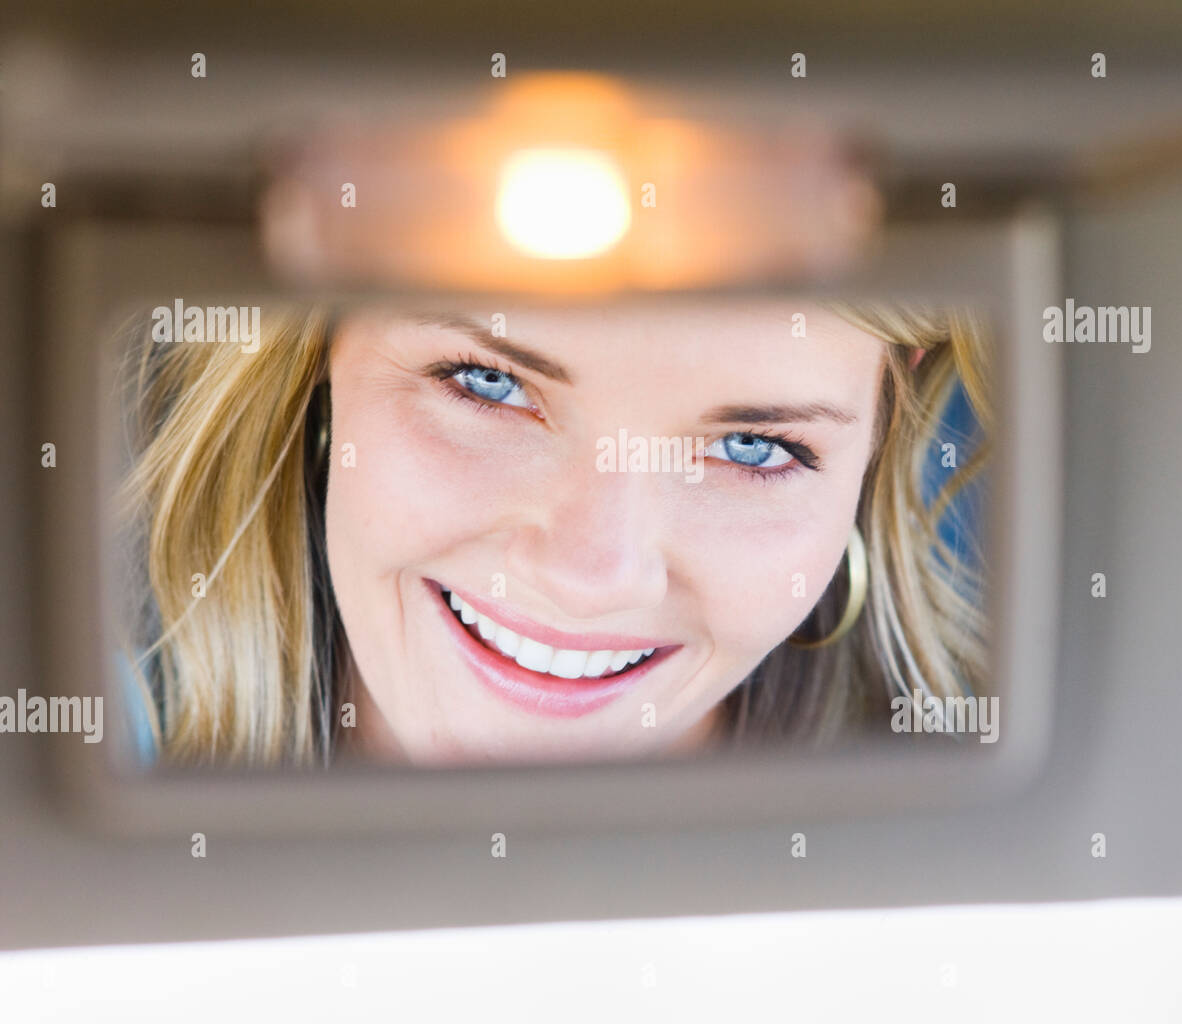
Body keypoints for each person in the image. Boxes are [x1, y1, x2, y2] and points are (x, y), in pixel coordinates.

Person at [116, 296, 990, 766]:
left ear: (880, 432)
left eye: (751, 447)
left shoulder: (999, 929)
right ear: (316, 351)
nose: (591, 574)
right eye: (487, 385)